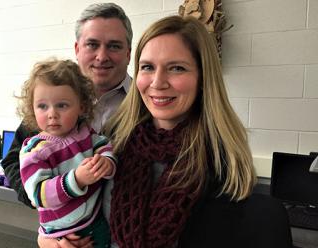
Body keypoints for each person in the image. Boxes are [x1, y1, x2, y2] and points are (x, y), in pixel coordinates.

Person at [100, 15, 257, 247]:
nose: (157, 82)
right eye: (147, 67)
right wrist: (52, 236)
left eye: (176, 68)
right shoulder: (114, 139)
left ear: (203, 77)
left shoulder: (221, 160)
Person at [1, 2, 132, 209]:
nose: (102, 56)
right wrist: (52, 220)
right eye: (92, 44)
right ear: (77, 49)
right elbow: (12, 163)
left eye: (114, 46)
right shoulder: (51, 98)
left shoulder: (146, 103)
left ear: (128, 53)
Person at [18, 59, 116, 247]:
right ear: (32, 108)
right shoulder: (35, 150)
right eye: (42, 106)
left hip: (95, 220)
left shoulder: (85, 132)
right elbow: (38, 194)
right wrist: (77, 180)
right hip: (62, 234)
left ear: (82, 107)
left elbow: (104, 146)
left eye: (62, 105)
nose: (52, 114)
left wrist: (107, 161)